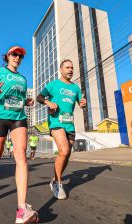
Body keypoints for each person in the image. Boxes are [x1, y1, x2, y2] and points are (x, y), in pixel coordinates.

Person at [0, 46, 38, 223]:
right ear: (7, 56)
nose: (17, 58)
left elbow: (19, 98)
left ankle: (22, 209)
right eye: (14, 54)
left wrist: (27, 101)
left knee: (21, 158)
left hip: (19, 118)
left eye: (20, 56)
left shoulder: (23, 79)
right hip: (0, 118)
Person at [36, 59, 86, 199]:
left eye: (72, 67)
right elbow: (39, 97)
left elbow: (81, 104)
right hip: (56, 122)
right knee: (63, 151)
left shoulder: (75, 88)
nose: (70, 70)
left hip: (69, 124)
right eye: (67, 67)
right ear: (61, 70)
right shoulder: (53, 85)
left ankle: (54, 180)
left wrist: (83, 103)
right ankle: (58, 183)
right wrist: (48, 102)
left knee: (66, 155)